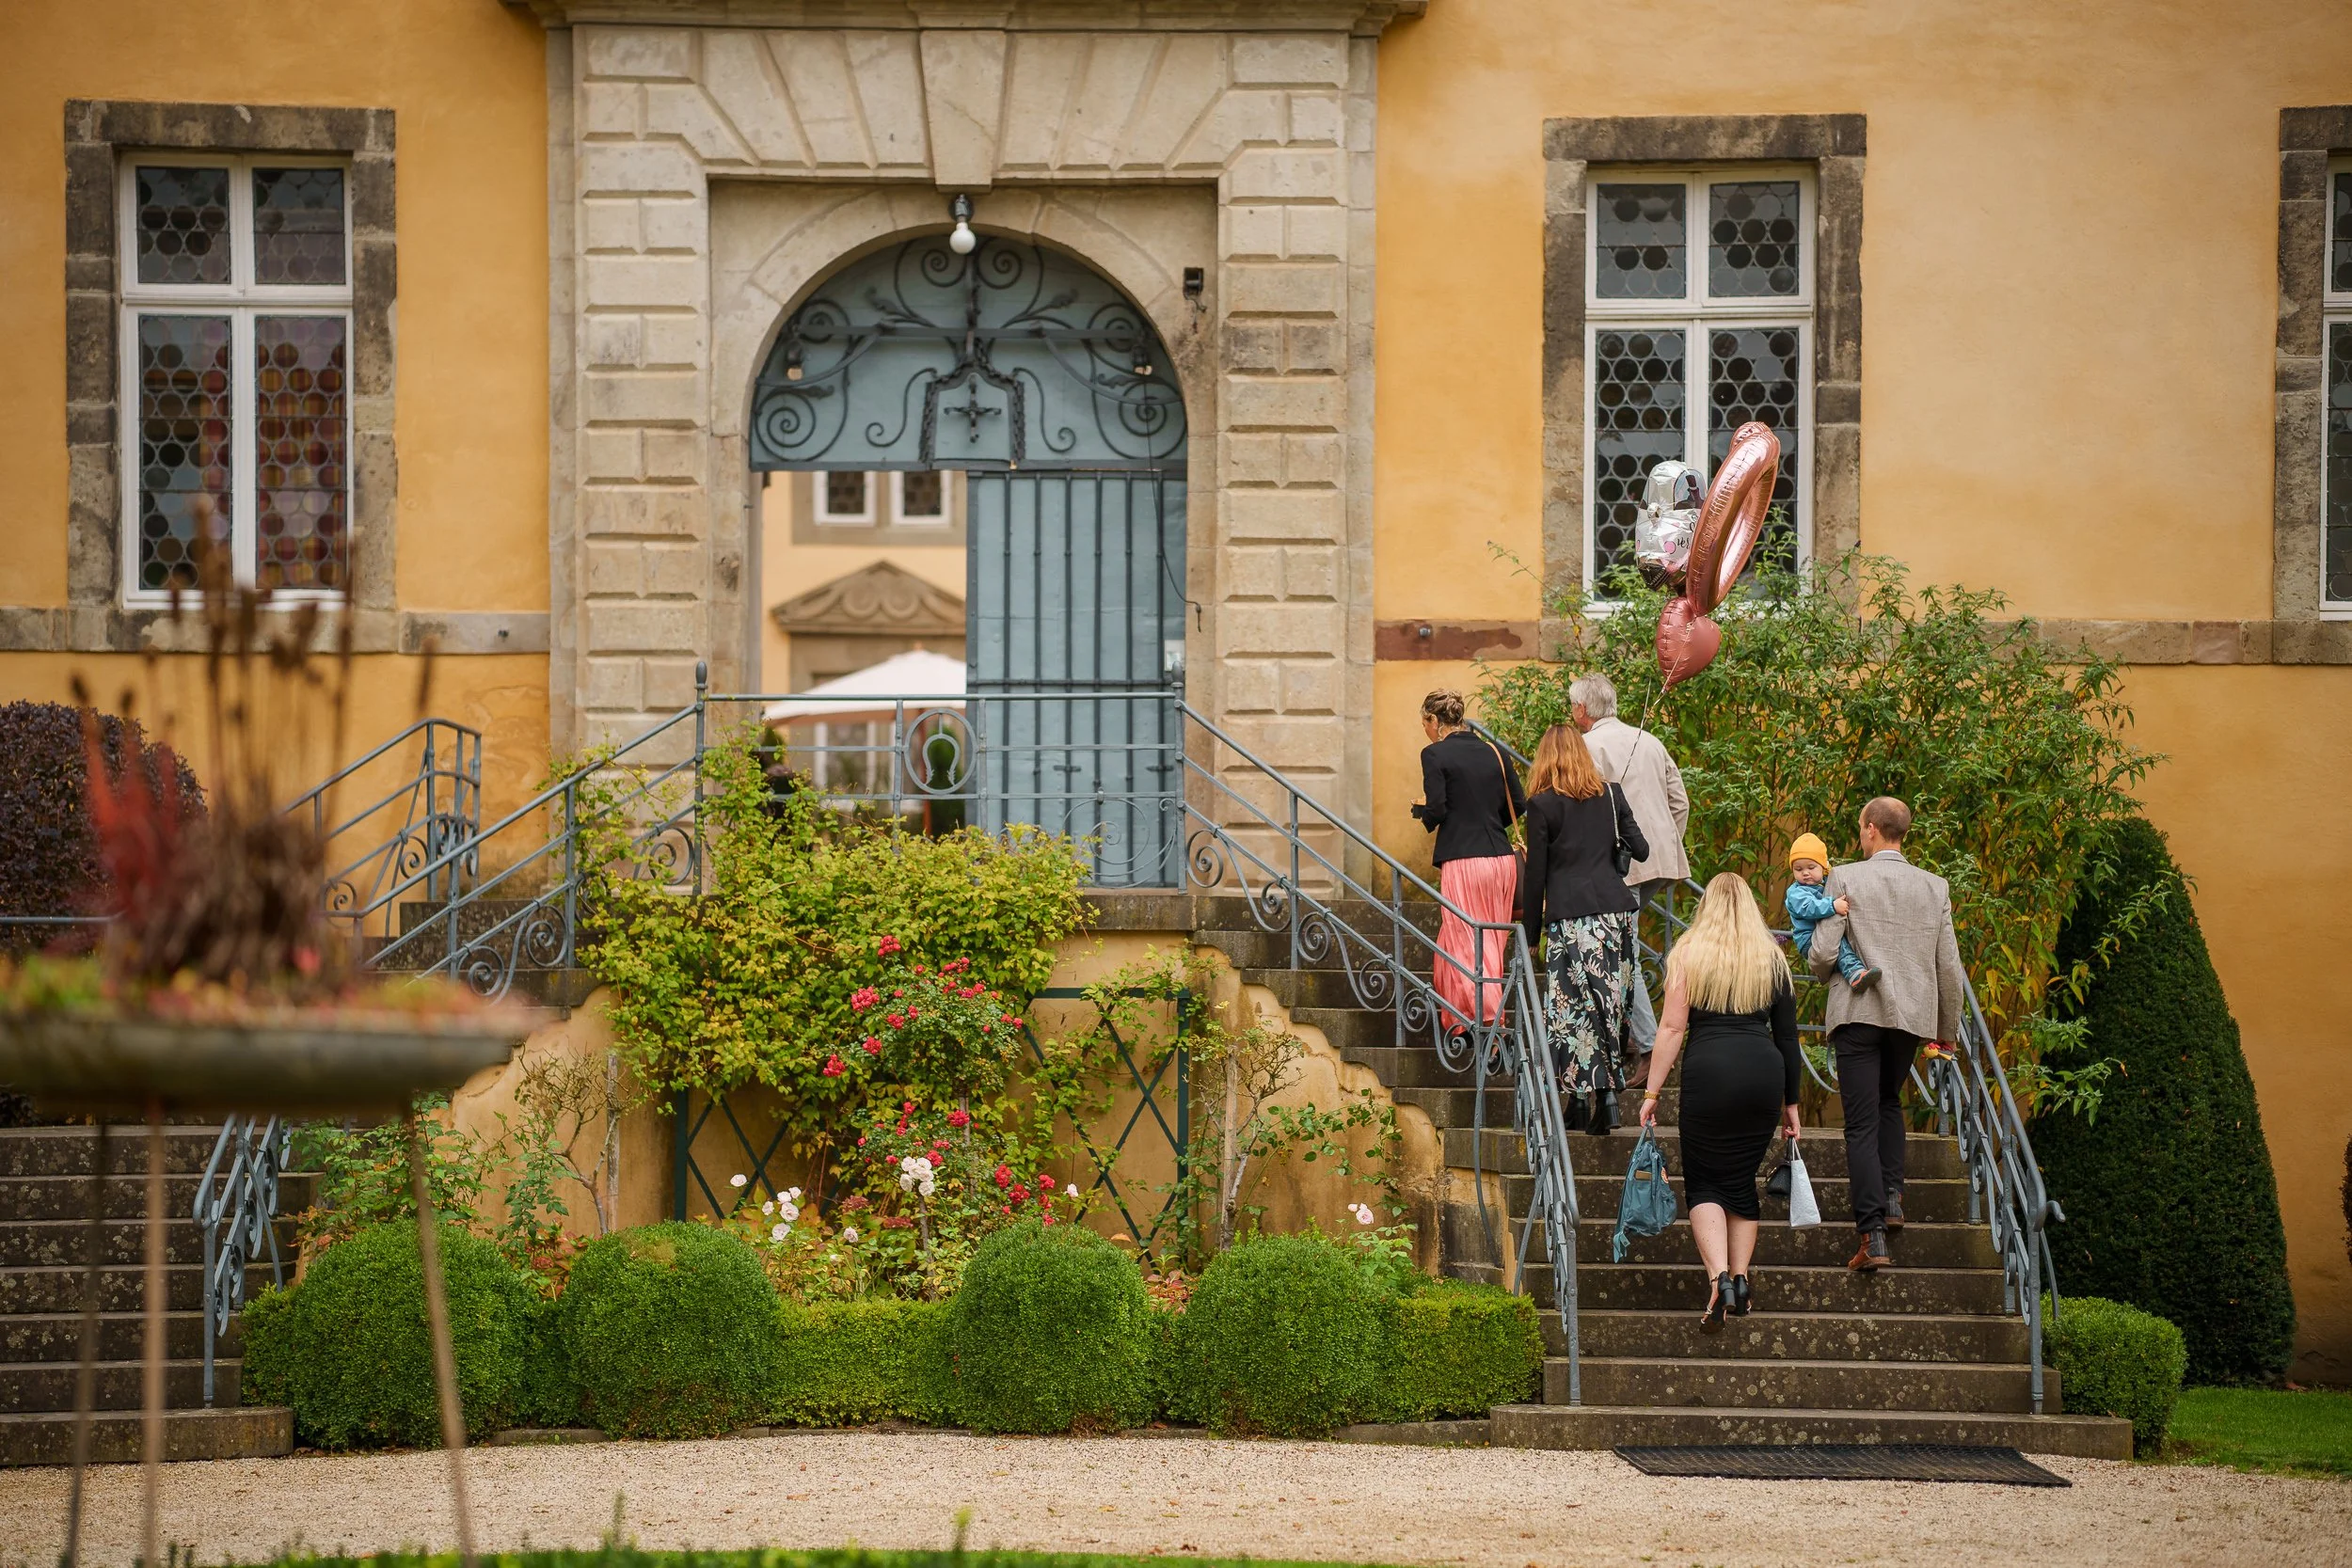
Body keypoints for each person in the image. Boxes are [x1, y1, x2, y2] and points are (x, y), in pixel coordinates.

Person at [1804, 797, 1965, 1273]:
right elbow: (1949, 968)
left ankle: (1872, 1235)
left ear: (1872, 829)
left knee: (1860, 1123)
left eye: (1860, 828)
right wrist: (1946, 1032)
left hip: (1858, 1011)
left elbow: (1823, 951)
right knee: (1889, 1101)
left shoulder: (1846, 877)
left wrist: (1816, 963)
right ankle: (1893, 1199)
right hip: (1910, 1020)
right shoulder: (1934, 887)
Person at [1638, 872, 1802, 1330]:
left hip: (1709, 1072)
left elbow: (1670, 1030)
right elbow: (1788, 1038)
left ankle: (1719, 1279)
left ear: (1706, 906)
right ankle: (1743, 1279)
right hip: (1762, 1075)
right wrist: (1792, 1103)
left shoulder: (1688, 953)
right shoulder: (1772, 958)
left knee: (1706, 1182)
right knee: (1742, 1180)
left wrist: (1652, 1092)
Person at [1518, 723, 1649, 1132]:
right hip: (1616, 917)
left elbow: (1535, 877)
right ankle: (1593, 1100)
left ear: (1545, 760)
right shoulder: (1611, 795)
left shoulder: (1541, 805)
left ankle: (1592, 1096)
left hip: (1570, 920)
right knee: (1606, 1008)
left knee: (1571, 1014)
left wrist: (1531, 934)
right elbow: (1641, 850)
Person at [1570, 673, 1690, 1088]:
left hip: (1619, 865)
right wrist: (1667, 842)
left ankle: (1649, 1043)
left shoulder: (1588, 746)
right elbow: (1680, 800)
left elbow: (1585, 808)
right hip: (1657, 858)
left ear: (1582, 710)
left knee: (1624, 956)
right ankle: (1631, 1040)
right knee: (1623, 948)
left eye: (1573, 707)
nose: (1572, 714)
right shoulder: (1650, 739)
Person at [1410, 689, 1526, 1034]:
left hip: (1463, 861)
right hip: (1502, 860)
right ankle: (1462, 1019)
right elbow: (1518, 803)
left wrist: (1421, 812)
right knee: (1488, 940)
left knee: (1466, 940)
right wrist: (1487, 822)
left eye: (1425, 723)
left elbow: (1438, 808)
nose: (1425, 730)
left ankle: (1490, 1021)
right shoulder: (1494, 750)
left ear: (1434, 720)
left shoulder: (1434, 754)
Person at [1783, 831, 1880, 992]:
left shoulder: (1826, 883)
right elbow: (1809, 907)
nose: (1805, 873)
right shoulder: (1797, 893)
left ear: (1823, 867)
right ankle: (1855, 974)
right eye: (1798, 869)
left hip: (1821, 932)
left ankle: (1848, 970)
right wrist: (1832, 906)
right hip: (1810, 939)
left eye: (1811, 867)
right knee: (1840, 945)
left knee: (1842, 942)